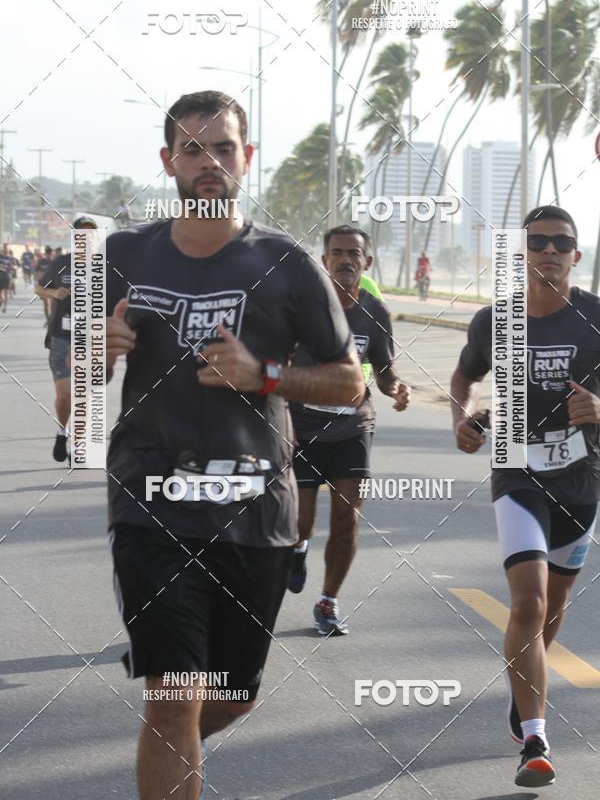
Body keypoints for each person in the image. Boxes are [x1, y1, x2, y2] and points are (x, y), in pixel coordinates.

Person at [105, 90, 364, 800]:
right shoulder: (125, 253)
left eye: (223, 147)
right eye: (193, 149)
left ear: (247, 159)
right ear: (169, 162)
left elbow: (350, 385)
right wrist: (100, 350)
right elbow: (79, 380)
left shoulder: (285, 262)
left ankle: (172, 752)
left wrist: (265, 375)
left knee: (230, 696)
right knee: (175, 697)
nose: (209, 162)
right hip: (152, 502)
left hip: (254, 512)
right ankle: (171, 742)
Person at [450, 206, 599, 788]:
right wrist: (463, 419)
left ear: (576, 256)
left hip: (582, 478)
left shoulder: (594, 318)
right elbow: (464, 379)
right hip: (515, 467)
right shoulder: (497, 321)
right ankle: (535, 737)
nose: (549, 252)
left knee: (553, 610)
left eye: (561, 243)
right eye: (537, 242)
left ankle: (522, 691)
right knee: (530, 602)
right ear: (523, 253)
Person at [288, 225, 410, 635]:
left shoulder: (375, 312)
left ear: (366, 262)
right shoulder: (301, 308)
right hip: (302, 428)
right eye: (337, 253)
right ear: (324, 262)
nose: (345, 260)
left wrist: (397, 390)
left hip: (352, 427)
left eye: (353, 254)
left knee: (346, 521)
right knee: (300, 524)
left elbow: (385, 372)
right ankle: (298, 547)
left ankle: (328, 601)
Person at [35, 216, 98, 463]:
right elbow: (39, 289)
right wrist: (54, 292)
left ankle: (79, 446)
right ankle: (63, 431)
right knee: (64, 395)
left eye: (91, 234)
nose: (87, 238)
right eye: (82, 234)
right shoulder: (62, 263)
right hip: (62, 337)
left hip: (89, 339)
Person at [35, 246, 55, 322]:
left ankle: (52, 319)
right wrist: (37, 282)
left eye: (50, 253)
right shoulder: (41, 261)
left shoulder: (54, 262)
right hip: (43, 284)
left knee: (53, 304)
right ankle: (48, 320)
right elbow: (37, 272)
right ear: (45, 253)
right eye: (47, 253)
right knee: (46, 304)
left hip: (53, 284)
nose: (49, 255)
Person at [0, 244, 12, 312]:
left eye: (6, 248)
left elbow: (14, 266)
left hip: (7, 276)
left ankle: (5, 307)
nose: (5, 249)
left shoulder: (10, 258)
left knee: (6, 292)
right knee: (1, 293)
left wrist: (13, 267)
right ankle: (1, 301)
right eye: (4, 248)